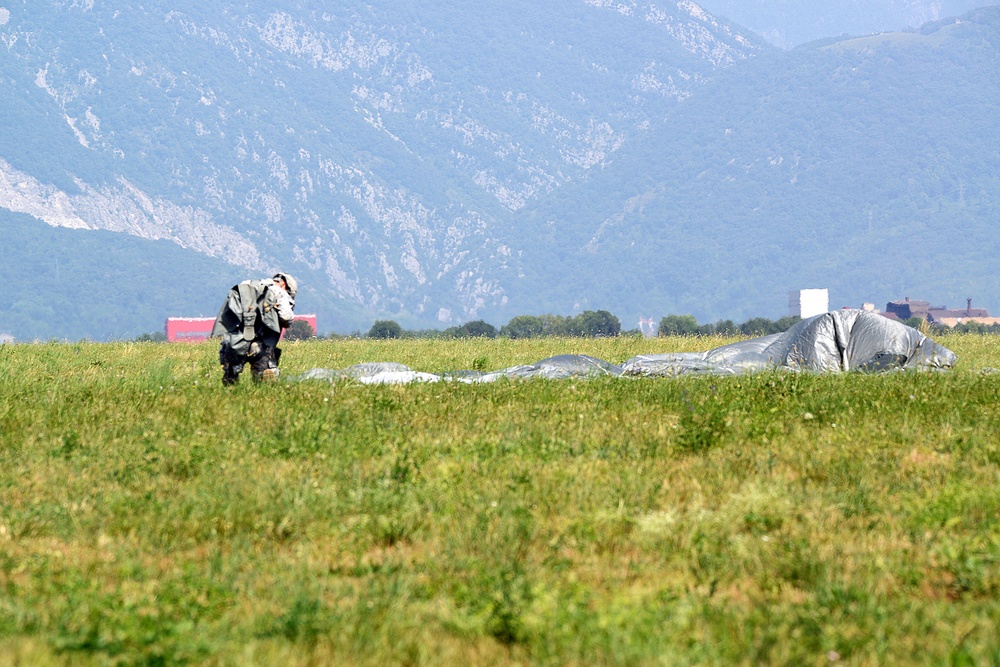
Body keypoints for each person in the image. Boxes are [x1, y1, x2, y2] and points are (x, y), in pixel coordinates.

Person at [211, 272, 298, 385]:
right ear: (285, 285)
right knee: (264, 380)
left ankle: (230, 389)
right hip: (260, 345)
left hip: (233, 343)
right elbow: (286, 317)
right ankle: (261, 386)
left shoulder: (245, 285)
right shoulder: (279, 292)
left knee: (230, 381)